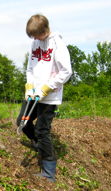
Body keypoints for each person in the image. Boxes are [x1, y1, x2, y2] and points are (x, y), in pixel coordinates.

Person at [17, 14, 72, 182]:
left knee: (42, 130)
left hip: (49, 96)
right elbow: (30, 68)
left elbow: (66, 72)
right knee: (23, 122)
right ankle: (37, 144)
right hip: (34, 93)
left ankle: (49, 172)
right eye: (32, 36)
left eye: (36, 35)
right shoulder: (34, 43)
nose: (34, 38)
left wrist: (47, 87)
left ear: (45, 30)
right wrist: (29, 86)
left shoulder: (58, 44)